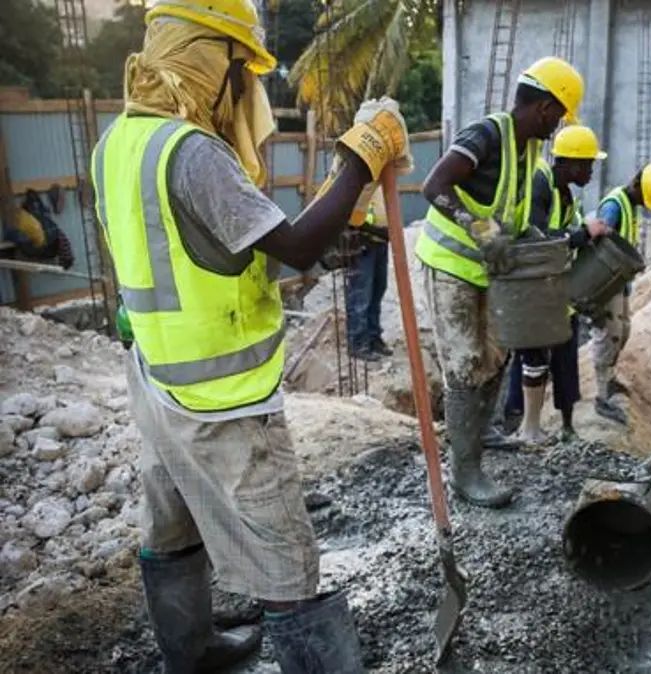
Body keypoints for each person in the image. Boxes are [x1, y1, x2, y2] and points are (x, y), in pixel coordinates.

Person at [91, 0, 413, 668]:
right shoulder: (191, 152)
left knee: (170, 519)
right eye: (242, 69)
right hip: (222, 396)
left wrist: (331, 231)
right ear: (208, 58)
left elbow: (195, 248)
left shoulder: (117, 141)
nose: (247, 88)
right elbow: (296, 246)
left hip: (155, 374)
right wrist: (362, 158)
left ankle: (191, 653)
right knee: (284, 557)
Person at [417, 56, 584, 508]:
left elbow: (510, 212)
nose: (558, 125)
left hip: (490, 272)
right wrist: (478, 227)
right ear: (545, 107)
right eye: (559, 115)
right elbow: (433, 186)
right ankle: (464, 473)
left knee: (495, 358)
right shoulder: (486, 135)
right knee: (464, 364)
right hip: (451, 265)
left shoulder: (528, 152)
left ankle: (478, 438)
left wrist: (533, 240)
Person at [505, 125, 608, 443]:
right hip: (534, 291)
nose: (591, 171)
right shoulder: (541, 184)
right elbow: (536, 239)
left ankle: (566, 427)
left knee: (565, 362)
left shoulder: (566, 194)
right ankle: (520, 425)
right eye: (589, 164)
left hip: (558, 293)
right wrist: (582, 235)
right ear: (573, 163)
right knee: (530, 359)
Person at [589, 162, 651, 425]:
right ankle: (601, 396)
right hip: (606, 283)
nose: (644, 204)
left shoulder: (630, 204)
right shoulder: (614, 206)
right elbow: (597, 245)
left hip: (620, 281)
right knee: (608, 335)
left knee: (623, 331)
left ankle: (610, 378)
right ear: (637, 185)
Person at [343, 188, 394, 361]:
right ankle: (358, 343)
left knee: (377, 292)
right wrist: (381, 231)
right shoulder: (359, 181)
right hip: (362, 243)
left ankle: (373, 338)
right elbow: (353, 217)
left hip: (380, 243)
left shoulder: (381, 182)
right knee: (361, 296)